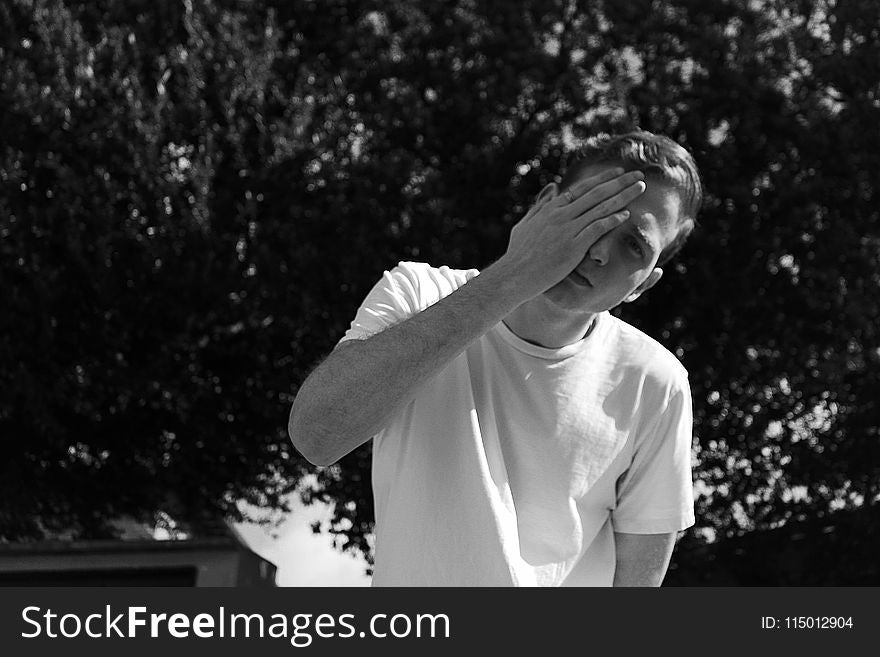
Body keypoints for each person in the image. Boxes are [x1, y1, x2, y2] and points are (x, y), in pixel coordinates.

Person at [289, 130, 703, 586]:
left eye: (633, 246)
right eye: (591, 214)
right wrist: (516, 274)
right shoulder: (418, 291)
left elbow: (638, 584)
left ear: (645, 283)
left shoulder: (656, 381)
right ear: (542, 207)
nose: (600, 249)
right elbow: (317, 435)